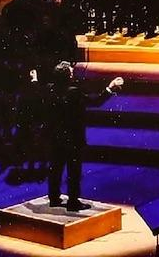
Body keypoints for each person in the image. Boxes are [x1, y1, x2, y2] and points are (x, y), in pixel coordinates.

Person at [44, 61, 123, 211]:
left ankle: (54, 197)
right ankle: (73, 202)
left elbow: (38, 92)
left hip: (54, 138)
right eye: (71, 73)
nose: (73, 75)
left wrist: (34, 80)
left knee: (55, 168)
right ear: (67, 77)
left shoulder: (50, 89)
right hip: (72, 139)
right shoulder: (73, 92)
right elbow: (96, 101)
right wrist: (110, 87)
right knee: (74, 171)